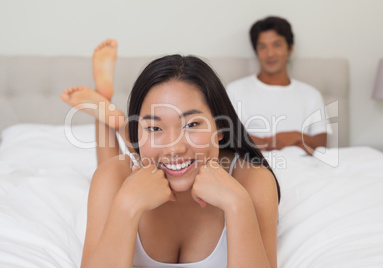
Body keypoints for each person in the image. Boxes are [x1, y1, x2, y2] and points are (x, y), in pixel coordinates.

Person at [61, 39, 280, 268]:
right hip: (136, 163)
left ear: (221, 129)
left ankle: (114, 117)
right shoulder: (112, 179)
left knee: (141, 161)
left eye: (192, 124)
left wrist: (238, 205)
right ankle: (107, 108)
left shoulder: (254, 180)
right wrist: (126, 207)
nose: (175, 147)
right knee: (115, 170)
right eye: (154, 127)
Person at [226, 16, 330, 155]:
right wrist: (254, 142)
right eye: (262, 47)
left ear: (290, 48)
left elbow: (322, 143)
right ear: (256, 51)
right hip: (255, 166)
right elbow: (226, 136)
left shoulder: (310, 94)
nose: (270, 54)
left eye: (277, 45)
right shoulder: (235, 90)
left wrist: (296, 136)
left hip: (303, 167)